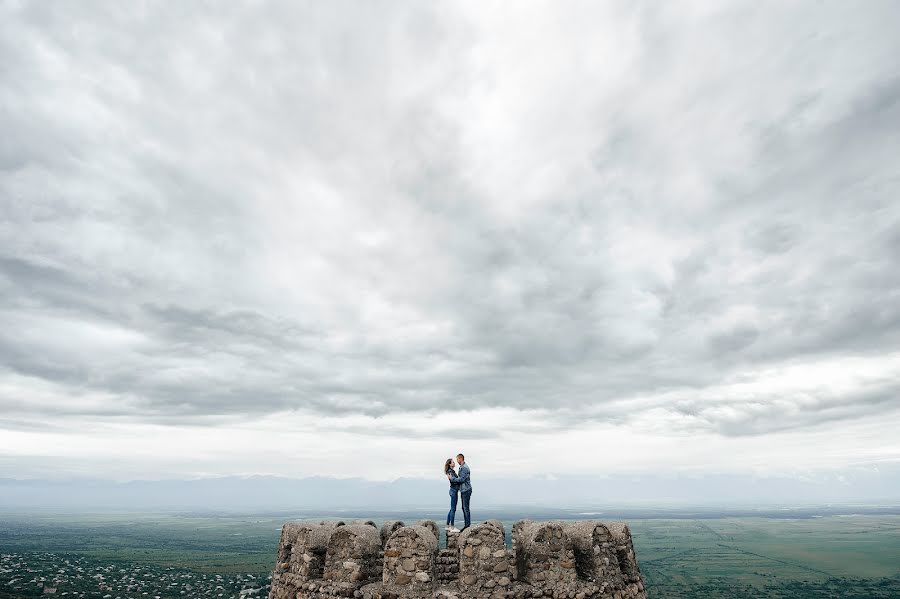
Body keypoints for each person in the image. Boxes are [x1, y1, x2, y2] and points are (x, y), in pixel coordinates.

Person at [447, 453, 471, 530]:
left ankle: (467, 525)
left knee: (464, 508)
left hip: (465, 490)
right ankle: (451, 526)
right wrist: (452, 479)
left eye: (457, 460)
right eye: (454, 461)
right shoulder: (454, 470)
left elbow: (461, 480)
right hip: (458, 491)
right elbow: (458, 480)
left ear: (460, 459)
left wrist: (452, 479)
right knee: (456, 508)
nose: (456, 462)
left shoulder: (463, 468)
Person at [444, 458, 460, 532]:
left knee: (452, 509)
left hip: (453, 490)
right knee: (453, 509)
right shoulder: (450, 471)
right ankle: (452, 527)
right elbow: (453, 480)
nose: (454, 463)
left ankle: (447, 525)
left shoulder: (451, 471)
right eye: (453, 462)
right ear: (450, 464)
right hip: (453, 491)